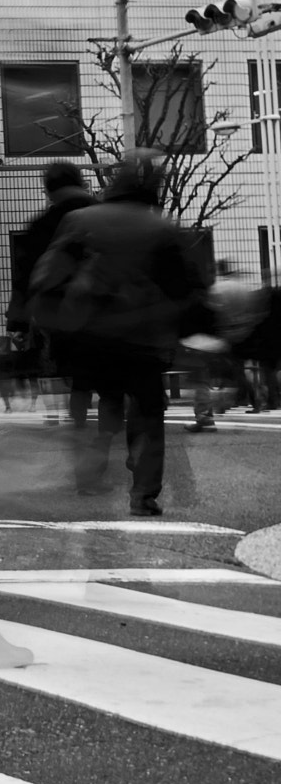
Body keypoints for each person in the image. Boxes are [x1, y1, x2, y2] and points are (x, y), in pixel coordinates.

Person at [30, 155, 199, 516]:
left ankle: (88, 473)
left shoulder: (80, 220)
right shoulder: (161, 228)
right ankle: (143, 493)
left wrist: (53, 320)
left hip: (89, 336)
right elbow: (185, 290)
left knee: (100, 404)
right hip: (143, 339)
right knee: (148, 412)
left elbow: (48, 276)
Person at [10, 161, 98, 425]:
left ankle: (80, 424)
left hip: (59, 314)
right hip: (104, 308)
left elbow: (25, 276)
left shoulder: (41, 225)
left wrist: (18, 322)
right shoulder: (104, 213)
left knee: (77, 375)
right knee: (108, 372)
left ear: (48, 190)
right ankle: (112, 427)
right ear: (80, 182)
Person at [188, 259, 266, 430]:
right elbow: (255, 310)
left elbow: (214, 313)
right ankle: (254, 400)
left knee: (216, 373)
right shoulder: (243, 288)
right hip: (245, 333)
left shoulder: (218, 289)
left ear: (218, 270)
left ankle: (215, 407)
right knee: (242, 370)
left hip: (224, 335)